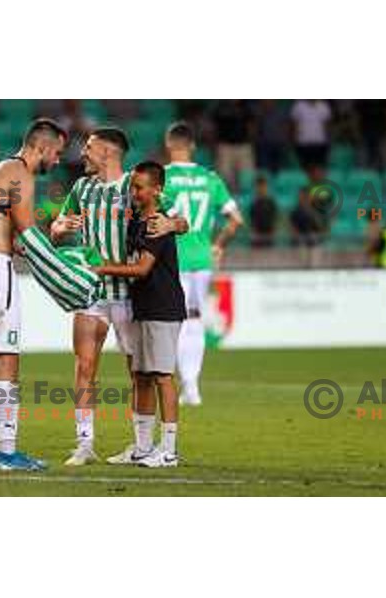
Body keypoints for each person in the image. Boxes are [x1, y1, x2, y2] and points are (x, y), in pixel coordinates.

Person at [51, 127, 188, 466]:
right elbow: (55, 228)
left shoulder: (135, 185)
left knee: (140, 373)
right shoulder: (81, 188)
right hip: (92, 293)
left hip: (131, 294)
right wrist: (59, 228)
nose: (83, 152)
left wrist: (173, 226)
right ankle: (84, 443)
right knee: (84, 366)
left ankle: (142, 445)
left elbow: (180, 220)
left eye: (89, 147)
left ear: (108, 152)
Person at [0, 118, 66, 472]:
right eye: (58, 153)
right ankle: (7, 452)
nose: (60, 160)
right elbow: (29, 233)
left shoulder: (0, 168)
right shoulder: (21, 173)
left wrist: (20, 242)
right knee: (6, 358)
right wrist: (67, 272)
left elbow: (8, 230)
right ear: (43, 147)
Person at [92, 162, 186, 467]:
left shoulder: (158, 223)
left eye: (140, 187)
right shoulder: (137, 222)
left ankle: (169, 450)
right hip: (143, 308)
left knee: (162, 376)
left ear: (157, 189)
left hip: (163, 307)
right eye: (132, 186)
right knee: (142, 377)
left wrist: (102, 267)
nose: (134, 192)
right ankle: (143, 447)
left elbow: (143, 268)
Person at [161, 122, 242, 406]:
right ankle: (192, 388)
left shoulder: (162, 178)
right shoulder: (210, 178)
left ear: (169, 144)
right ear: (193, 145)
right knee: (194, 318)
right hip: (202, 260)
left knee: (173, 321)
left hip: (175, 259)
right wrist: (218, 245)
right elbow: (235, 220)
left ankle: (183, 385)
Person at [291, 100, 332, 169]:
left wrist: (328, 142)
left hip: (320, 143)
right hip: (303, 143)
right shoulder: (298, 106)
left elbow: (327, 127)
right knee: (304, 168)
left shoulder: (324, 106)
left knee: (319, 168)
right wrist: (295, 142)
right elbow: (295, 126)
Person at [250, 176, 279, 248]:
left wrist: (273, 233)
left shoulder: (271, 203)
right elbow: (252, 222)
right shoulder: (254, 204)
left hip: (269, 236)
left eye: (263, 186)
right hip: (258, 237)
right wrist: (254, 234)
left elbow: (275, 219)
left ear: (266, 187)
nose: (261, 189)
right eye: (259, 187)